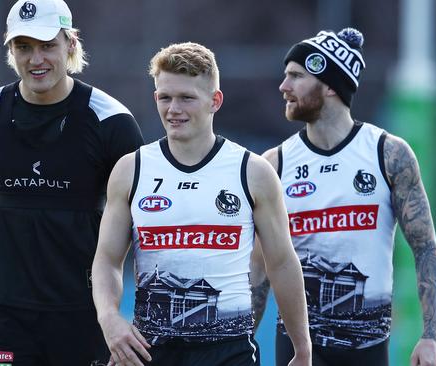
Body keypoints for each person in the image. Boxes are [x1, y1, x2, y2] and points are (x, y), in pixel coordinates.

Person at [0, 0, 144, 365]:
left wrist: (127, 315)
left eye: (47, 45)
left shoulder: (112, 122)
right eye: (23, 47)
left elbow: (142, 225)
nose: (36, 59)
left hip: (83, 311)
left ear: (70, 44)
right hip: (4, 311)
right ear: (10, 51)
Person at [91, 42, 312, 366]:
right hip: (151, 351)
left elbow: (281, 263)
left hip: (229, 352)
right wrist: (109, 318)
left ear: (214, 101)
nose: (173, 109)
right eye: (165, 97)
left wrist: (302, 348)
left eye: (186, 98)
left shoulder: (252, 172)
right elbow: (107, 260)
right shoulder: (131, 169)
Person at [250, 28, 436, 366]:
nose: (284, 87)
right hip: (299, 352)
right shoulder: (274, 164)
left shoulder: (388, 154)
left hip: (367, 349)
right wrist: (242, 341)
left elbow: (425, 247)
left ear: (329, 86)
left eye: (296, 76)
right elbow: (259, 266)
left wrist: (431, 337)